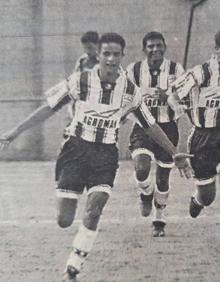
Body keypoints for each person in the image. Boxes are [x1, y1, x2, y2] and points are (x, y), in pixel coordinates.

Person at [0, 33, 192, 282]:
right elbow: (49, 106)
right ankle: (73, 239)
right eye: (106, 54)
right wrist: (14, 133)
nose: (111, 59)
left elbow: (151, 125)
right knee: (64, 220)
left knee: (94, 209)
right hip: (76, 151)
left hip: (105, 155)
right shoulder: (80, 81)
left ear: (123, 56)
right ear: (98, 56)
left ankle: (73, 267)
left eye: (116, 54)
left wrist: (174, 151)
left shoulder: (129, 90)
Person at [126, 32, 185, 237]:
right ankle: (145, 193)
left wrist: (169, 97)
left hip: (168, 128)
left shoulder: (176, 69)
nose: (155, 49)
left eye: (159, 45)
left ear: (165, 47)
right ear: (144, 49)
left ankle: (159, 220)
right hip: (142, 128)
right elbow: (124, 97)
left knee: (163, 178)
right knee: (141, 168)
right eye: (150, 46)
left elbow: (182, 105)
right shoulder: (133, 70)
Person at [168, 30, 220, 219]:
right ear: (217, 50)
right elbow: (173, 95)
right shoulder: (202, 72)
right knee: (208, 196)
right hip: (204, 138)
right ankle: (198, 200)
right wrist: (177, 108)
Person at [65, 31, 99, 124]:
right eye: (85, 48)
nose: (87, 52)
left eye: (90, 48)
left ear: (98, 45)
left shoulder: (103, 62)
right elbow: (74, 79)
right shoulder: (82, 60)